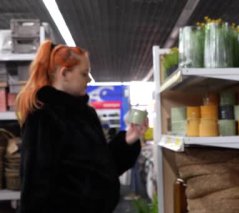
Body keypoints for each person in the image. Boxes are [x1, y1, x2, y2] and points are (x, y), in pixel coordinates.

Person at [15, 40, 148, 213]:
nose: (88, 80)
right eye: (84, 74)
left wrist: (128, 140)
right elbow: (35, 187)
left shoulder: (86, 115)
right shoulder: (43, 118)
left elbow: (103, 167)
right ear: (65, 73)